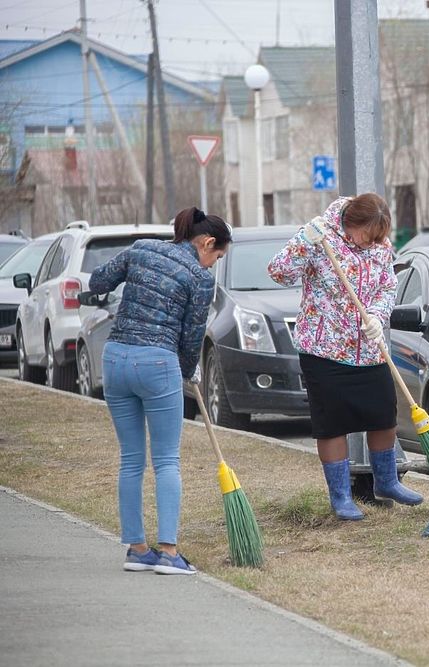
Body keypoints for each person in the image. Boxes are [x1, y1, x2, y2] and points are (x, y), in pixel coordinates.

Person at [89, 207, 231, 575]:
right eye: (216, 257)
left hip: (115, 359)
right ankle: (168, 552)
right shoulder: (200, 278)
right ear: (207, 243)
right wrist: (189, 372)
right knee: (167, 460)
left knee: (131, 459)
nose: (213, 265)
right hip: (157, 362)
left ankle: (137, 549)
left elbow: (98, 282)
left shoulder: (141, 249)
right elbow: (190, 335)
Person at [267, 193, 422, 520]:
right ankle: (340, 496)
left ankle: (387, 480)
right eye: (366, 236)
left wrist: (379, 318)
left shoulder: (380, 246)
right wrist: (304, 242)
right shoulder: (320, 236)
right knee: (332, 424)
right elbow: (279, 272)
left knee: (383, 414)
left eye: (377, 238)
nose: (371, 244)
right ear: (352, 223)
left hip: (368, 348)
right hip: (324, 350)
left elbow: (387, 288)